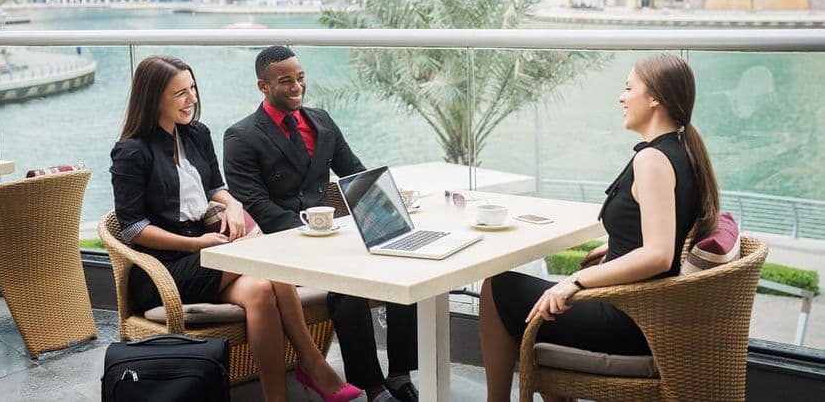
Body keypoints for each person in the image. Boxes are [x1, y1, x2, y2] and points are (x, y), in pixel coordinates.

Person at [110, 54, 361, 402]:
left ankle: (278, 398)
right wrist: (197, 245)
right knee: (269, 262)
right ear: (154, 98)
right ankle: (313, 364)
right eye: (179, 93)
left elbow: (217, 188)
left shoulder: (196, 135)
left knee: (260, 292)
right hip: (164, 269)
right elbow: (133, 228)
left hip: (209, 256)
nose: (192, 99)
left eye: (192, 88)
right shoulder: (130, 152)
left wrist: (234, 205)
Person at [478, 53, 720, 402]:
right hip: (645, 312)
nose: (621, 97)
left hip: (628, 320)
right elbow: (667, 229)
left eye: (628, 87)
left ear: (654, 99)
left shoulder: (651, 160)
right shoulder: (683, 151)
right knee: (531, 301)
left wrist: (574, 281)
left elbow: (658, 254)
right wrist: (619, 245)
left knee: (496, 288)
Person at [224, 46, 419, 402]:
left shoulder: (322, 121)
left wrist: (393, 211)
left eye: (300, 78)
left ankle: (400, 372)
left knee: (400, 261)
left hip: (326, 239)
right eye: (285, 81)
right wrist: (315, 236)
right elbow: (257, 206)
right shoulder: (241, 136)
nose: (296, 86)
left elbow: (356, 176)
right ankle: (372, 387)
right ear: (263, 87)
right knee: (346, 287)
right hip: (282, 248)